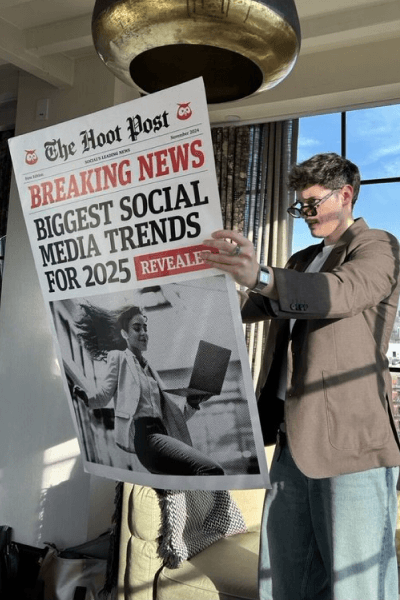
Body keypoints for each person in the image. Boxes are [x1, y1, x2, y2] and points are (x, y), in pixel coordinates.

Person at [201, 152, 400, 600]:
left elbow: (340, 293)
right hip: (292, 439)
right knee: (284, 577)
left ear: (345, 195)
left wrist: (260, 274)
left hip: (351, 445)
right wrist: (209, 278)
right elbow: (250, 305)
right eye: (300, 206)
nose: (306, 214)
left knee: (356, 586)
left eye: (313, 204)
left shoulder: (378, 247)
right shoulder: (302, 258)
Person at [73, 303, 224, 476]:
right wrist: (86, 397)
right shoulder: (119, 357)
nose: (144, 333)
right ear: (124, 334)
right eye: (137, 328)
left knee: (189, 483)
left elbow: (174, 416)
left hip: (163, 434)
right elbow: (104, 395)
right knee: (212, 470)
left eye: (145, 328)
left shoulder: (150, 369)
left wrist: (192, 402)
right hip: (146, 438)